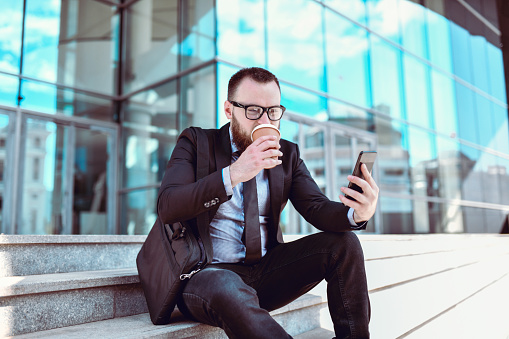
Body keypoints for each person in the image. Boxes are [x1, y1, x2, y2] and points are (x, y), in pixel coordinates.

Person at [157, 67, 378, 339]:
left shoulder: (288, 154)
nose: (265, 120)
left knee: (344, 244)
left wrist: (357, 213)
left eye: (273, 111)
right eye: (253, 111)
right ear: (229, 110)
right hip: (205, 276)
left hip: (264, 272)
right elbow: (168, 205)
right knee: (224, 282)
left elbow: (317, 208)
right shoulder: (196, 142)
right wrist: (235, 173)